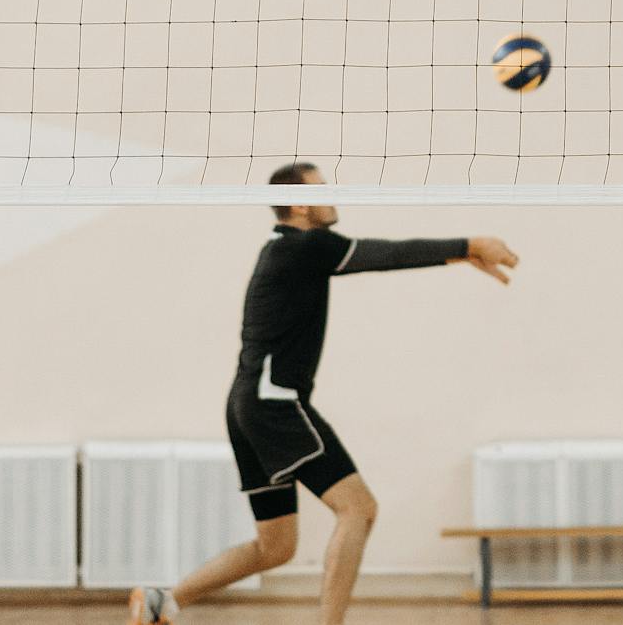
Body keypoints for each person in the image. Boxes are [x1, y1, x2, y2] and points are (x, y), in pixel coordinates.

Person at [129, 164, 518, 625]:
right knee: (359, 509)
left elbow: (383, 255)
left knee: (275, 547)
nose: (336, 195)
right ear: (299, 204)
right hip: (276, 404)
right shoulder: (306, 246)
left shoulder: (281, 249)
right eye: (323, 189)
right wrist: (468, 245)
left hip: (246, 404)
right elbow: (384, 254)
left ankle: (163, 602)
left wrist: (461, 257)